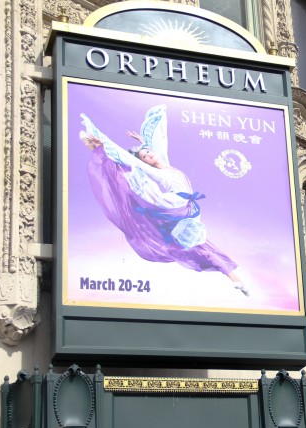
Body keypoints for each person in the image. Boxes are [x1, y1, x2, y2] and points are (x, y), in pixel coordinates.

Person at [79, 104, 249, 296]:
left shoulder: (165, 162)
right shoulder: (155, 171)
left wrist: (141, 141)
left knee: (201, 245)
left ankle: (236, 280)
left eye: (148, 152)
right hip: (173, 203)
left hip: (186, 207)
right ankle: (99, 150)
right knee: (145, 191)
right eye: (146, 157)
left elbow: (157, 146)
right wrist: (104, 143)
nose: (149, 155)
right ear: (146, 162)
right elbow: (133, 160)